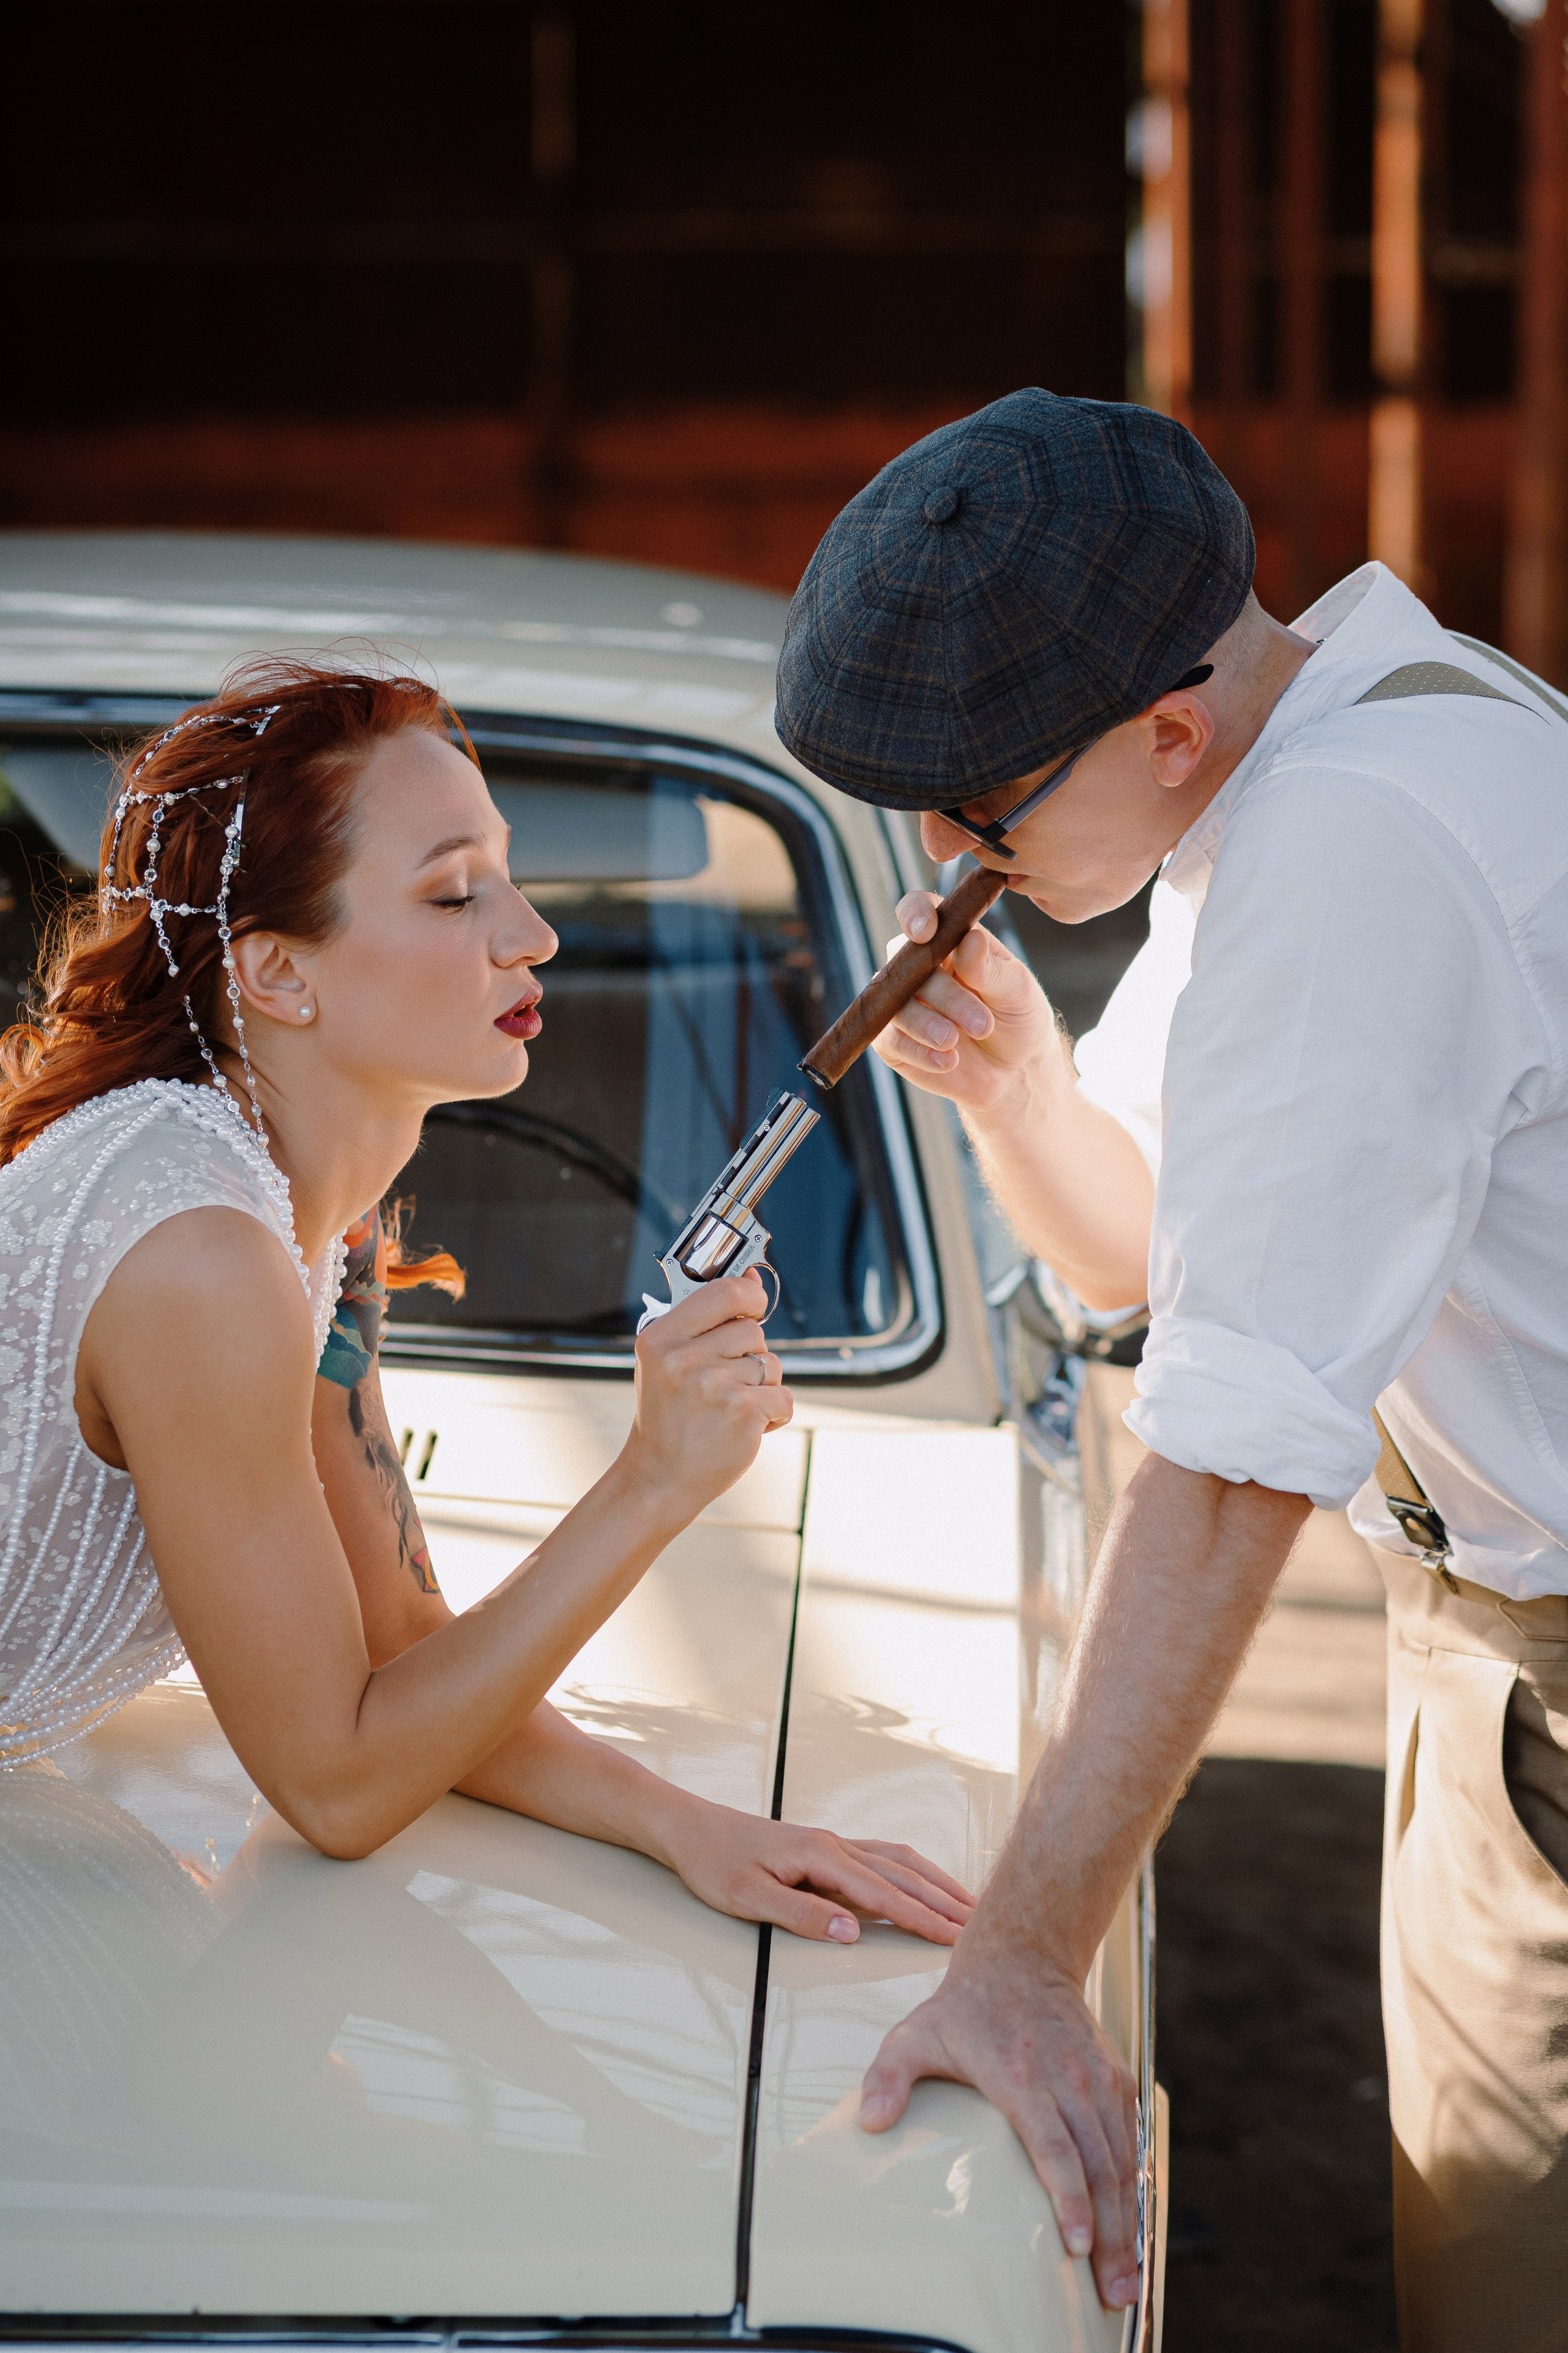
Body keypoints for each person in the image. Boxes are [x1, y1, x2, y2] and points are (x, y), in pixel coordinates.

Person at [774, 387, 1568, 2347]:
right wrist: (1023, 1088)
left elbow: (1223, 1461)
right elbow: (1149, 1246)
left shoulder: (1351, 856)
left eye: (979, 809)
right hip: (1491, 1635)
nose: (951, 855)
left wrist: (1030, 1956)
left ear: (1169, 731)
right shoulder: (1351, 725)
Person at [0, 656, 971, 1957]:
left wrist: (690, 1824)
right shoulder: (200, 1255)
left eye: (503, 873)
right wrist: (652, 1479)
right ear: (279, 976)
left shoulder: (299, 1210)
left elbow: (400, 1642)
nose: (533, 931)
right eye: (455, 893)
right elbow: (335, 1785)